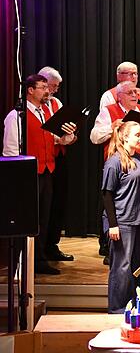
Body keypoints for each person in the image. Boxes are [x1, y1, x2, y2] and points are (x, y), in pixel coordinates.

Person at [3, 74, 77, 275]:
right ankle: (25, 261)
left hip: (47, 171)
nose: (47, 91)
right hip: (29, 175)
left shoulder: (45, 112)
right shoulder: (16, 116)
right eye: (43, 87)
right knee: (29, 219)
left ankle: (40, 258)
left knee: (43, 217)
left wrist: (66, 136)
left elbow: (52, 139)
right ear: (30, 90)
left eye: (47, 87)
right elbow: (10, 150)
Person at [102, 121, 140, 312]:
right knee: (122, 266)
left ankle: (137, 305)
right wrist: (112, 224)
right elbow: (107, 194)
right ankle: (118, 307)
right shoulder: (114, 162)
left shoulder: (139, 159)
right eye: (137, 135)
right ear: (124, 137)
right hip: (123, 221)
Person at [38, 66, 74, 262]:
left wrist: (70, 133)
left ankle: (52, 244)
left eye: (56, 87)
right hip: (43, 158)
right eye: (51, 86)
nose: (53, 90)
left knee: (58, 201)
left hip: (58, 157)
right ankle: (41, 249)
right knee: (44, 205)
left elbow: (62, 126)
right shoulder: (34, 107)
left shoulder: (56, 103)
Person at [91, 81, 140, 160]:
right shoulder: (108, 110)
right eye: (129, 93)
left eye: (135, 92)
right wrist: (112, 127)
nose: (134, 95)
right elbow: (94, 138)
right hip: (117, 164)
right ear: (119, 96)